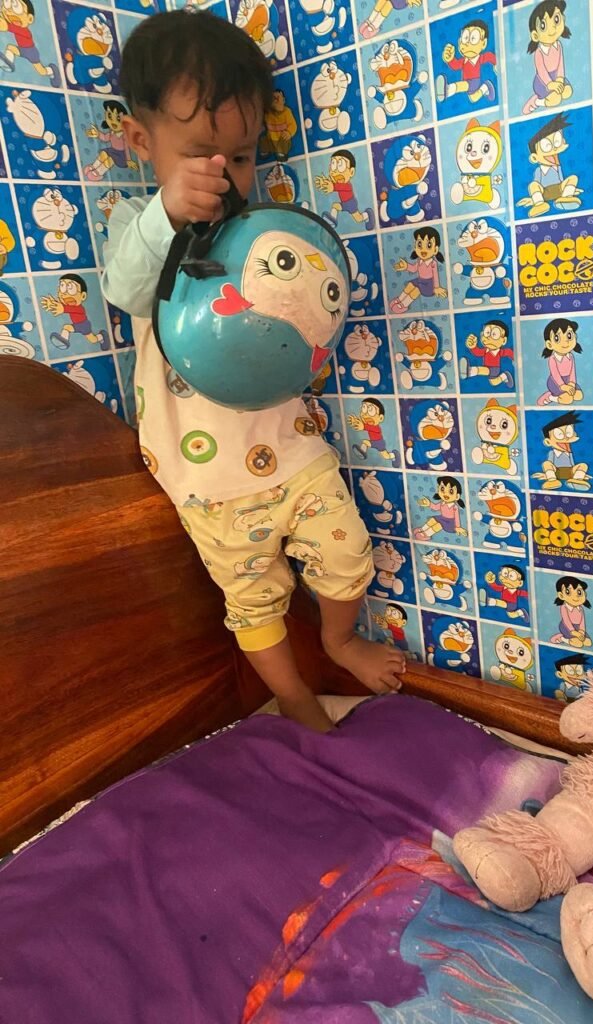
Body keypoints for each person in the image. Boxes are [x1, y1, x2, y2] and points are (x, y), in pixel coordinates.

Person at [101, 11, 404, 734]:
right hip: (208, 477)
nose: (224, 176)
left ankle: (337, 638)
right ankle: (295, 696)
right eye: (201, 154)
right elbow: (124, 288)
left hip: (290, 444)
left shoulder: (254, 230)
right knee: (254, 598)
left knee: (347, 551)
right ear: (141, 141)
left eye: (239, 158)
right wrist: (167, 215)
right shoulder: (136, 226)